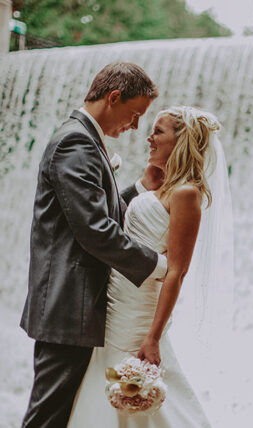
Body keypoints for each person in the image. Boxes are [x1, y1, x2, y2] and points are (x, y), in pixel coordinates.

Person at [20, 62, 168, 428]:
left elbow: (95, 211)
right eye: (135, 114)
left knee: (61, 412)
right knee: (48, 416)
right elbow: (95, 230)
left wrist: (140, 188)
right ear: (113, 97)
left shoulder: (83, 138)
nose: (136, 126)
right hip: (68, 304)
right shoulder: (76, 142)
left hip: (74, 304)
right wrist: (160, 267)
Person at [67, 106, 234, 428]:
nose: (149, 138)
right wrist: (146, 182)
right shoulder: (163, 187)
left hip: (139, 311)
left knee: (133, 386)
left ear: (181, 140)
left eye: (158, 131)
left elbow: (177, 271)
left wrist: (154, 337)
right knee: (106, 381)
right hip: (116, 302)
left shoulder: (187, 194)